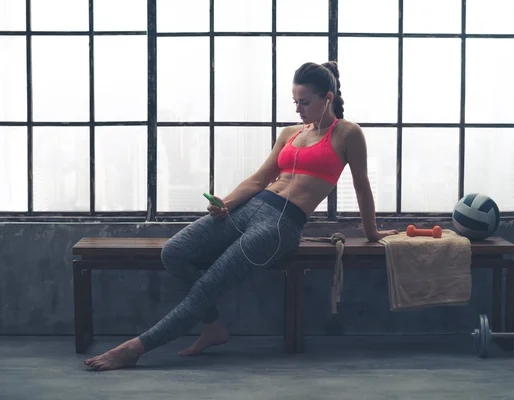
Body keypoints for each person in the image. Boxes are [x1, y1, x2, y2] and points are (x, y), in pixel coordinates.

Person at [84, 61, 399, 371]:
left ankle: (135, 348)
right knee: (175, 252)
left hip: (281, 225)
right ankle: (213, 326)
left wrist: (372, 234)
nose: (299, 110)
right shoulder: (290, 133)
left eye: (305, 102)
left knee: (207, 287)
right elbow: (258, 179)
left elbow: (362, 187)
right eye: (295, 102)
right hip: (249, 207)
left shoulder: (347, 134)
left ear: (327, 98)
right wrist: (227, 203)